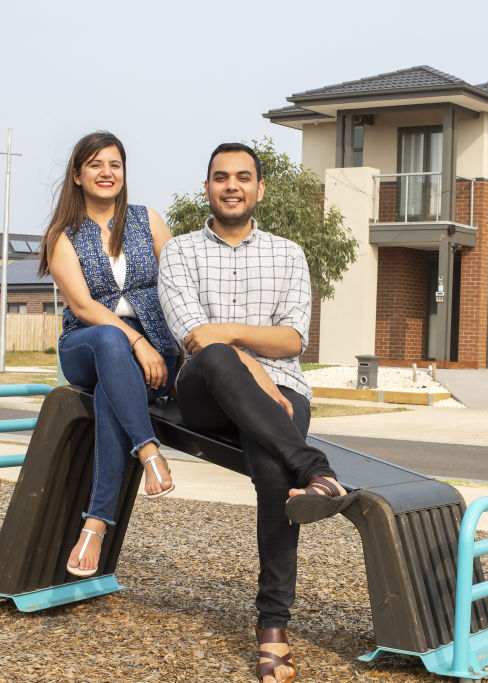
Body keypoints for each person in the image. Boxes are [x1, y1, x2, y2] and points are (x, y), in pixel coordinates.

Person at [157, 142, 357, 683]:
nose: (231, 186)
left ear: (258, 189)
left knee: (272, 468)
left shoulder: (290, 253)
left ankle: (273, 627)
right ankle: (316, 468)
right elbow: (196, 338)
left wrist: (234, 337)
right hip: (205, 394)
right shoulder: (178, 253)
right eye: (220, 177)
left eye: (243, 177)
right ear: (207, 188)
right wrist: (245, 354)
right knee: (221, 357)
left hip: (284, 391)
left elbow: (294, 339)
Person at [37, 131, 180, 578]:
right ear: (78, 175)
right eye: (96, 165)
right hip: (88, 344)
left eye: (114, 164)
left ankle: (94, 528)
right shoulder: (63, 235)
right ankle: (148, 450)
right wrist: (136, 342)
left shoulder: (148, 221)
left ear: (123, 172)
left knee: (110, 398)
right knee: (112, 340)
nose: (106, 172)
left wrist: (177, 346)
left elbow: (178, 286)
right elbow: (83, 306)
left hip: (153, 350)